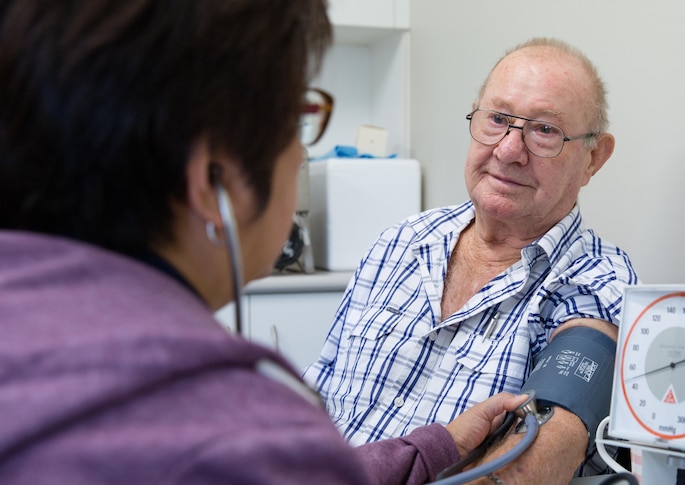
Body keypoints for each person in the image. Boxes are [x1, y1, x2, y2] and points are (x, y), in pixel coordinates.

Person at [0, 1, 529, 484]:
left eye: (543, 131)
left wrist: (434, 447)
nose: (301, 156)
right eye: (297, 119)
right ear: (214, 179)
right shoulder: (245, 436)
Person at [305, 37, 640, 484]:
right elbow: (316, 396)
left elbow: (526, 470)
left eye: (544, 131)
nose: (507, 150)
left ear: (593, 157)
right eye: (498, 119)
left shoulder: (599, 287)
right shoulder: (401, 242)